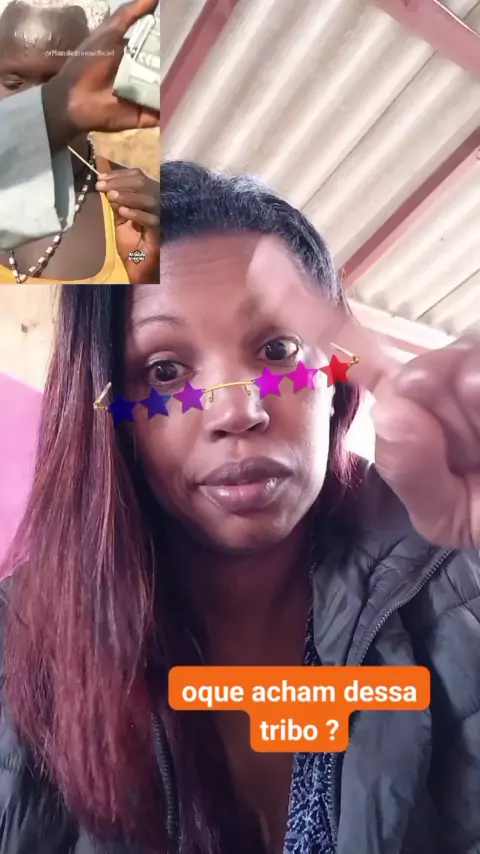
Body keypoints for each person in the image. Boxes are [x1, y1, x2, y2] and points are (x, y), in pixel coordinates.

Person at [0, 161, 479, 854]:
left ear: (336, 384)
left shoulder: (457, 591)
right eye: (165, 370)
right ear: (109, 415)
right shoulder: (17, 646)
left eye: (278, 350)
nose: (239, 410)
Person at [0, 0, 159, 281]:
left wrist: (142, 264)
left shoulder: (135, 208)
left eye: (58, 87)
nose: (35, 103)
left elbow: (139, 259)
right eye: (13, 83)